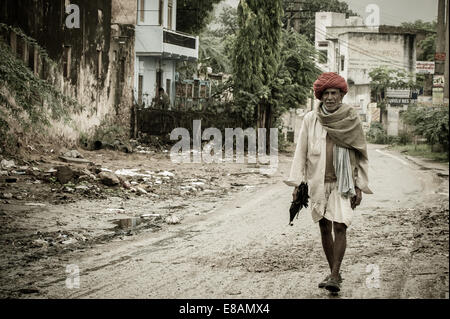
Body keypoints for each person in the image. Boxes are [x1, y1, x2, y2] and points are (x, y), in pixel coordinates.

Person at [285, 72, 373, 293]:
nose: (330, 97)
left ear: (342, 94)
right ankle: (335, 271)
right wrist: (297, 183)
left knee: (340, 225)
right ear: (320, 96)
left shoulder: (351, 119)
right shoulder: (310, 119)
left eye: (334, 93)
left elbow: (361, 154)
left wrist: (360, 186)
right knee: (324, 227)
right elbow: (301, 152)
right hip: (317, 181)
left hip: (344, 182)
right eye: (326, 93)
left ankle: (334, 274)